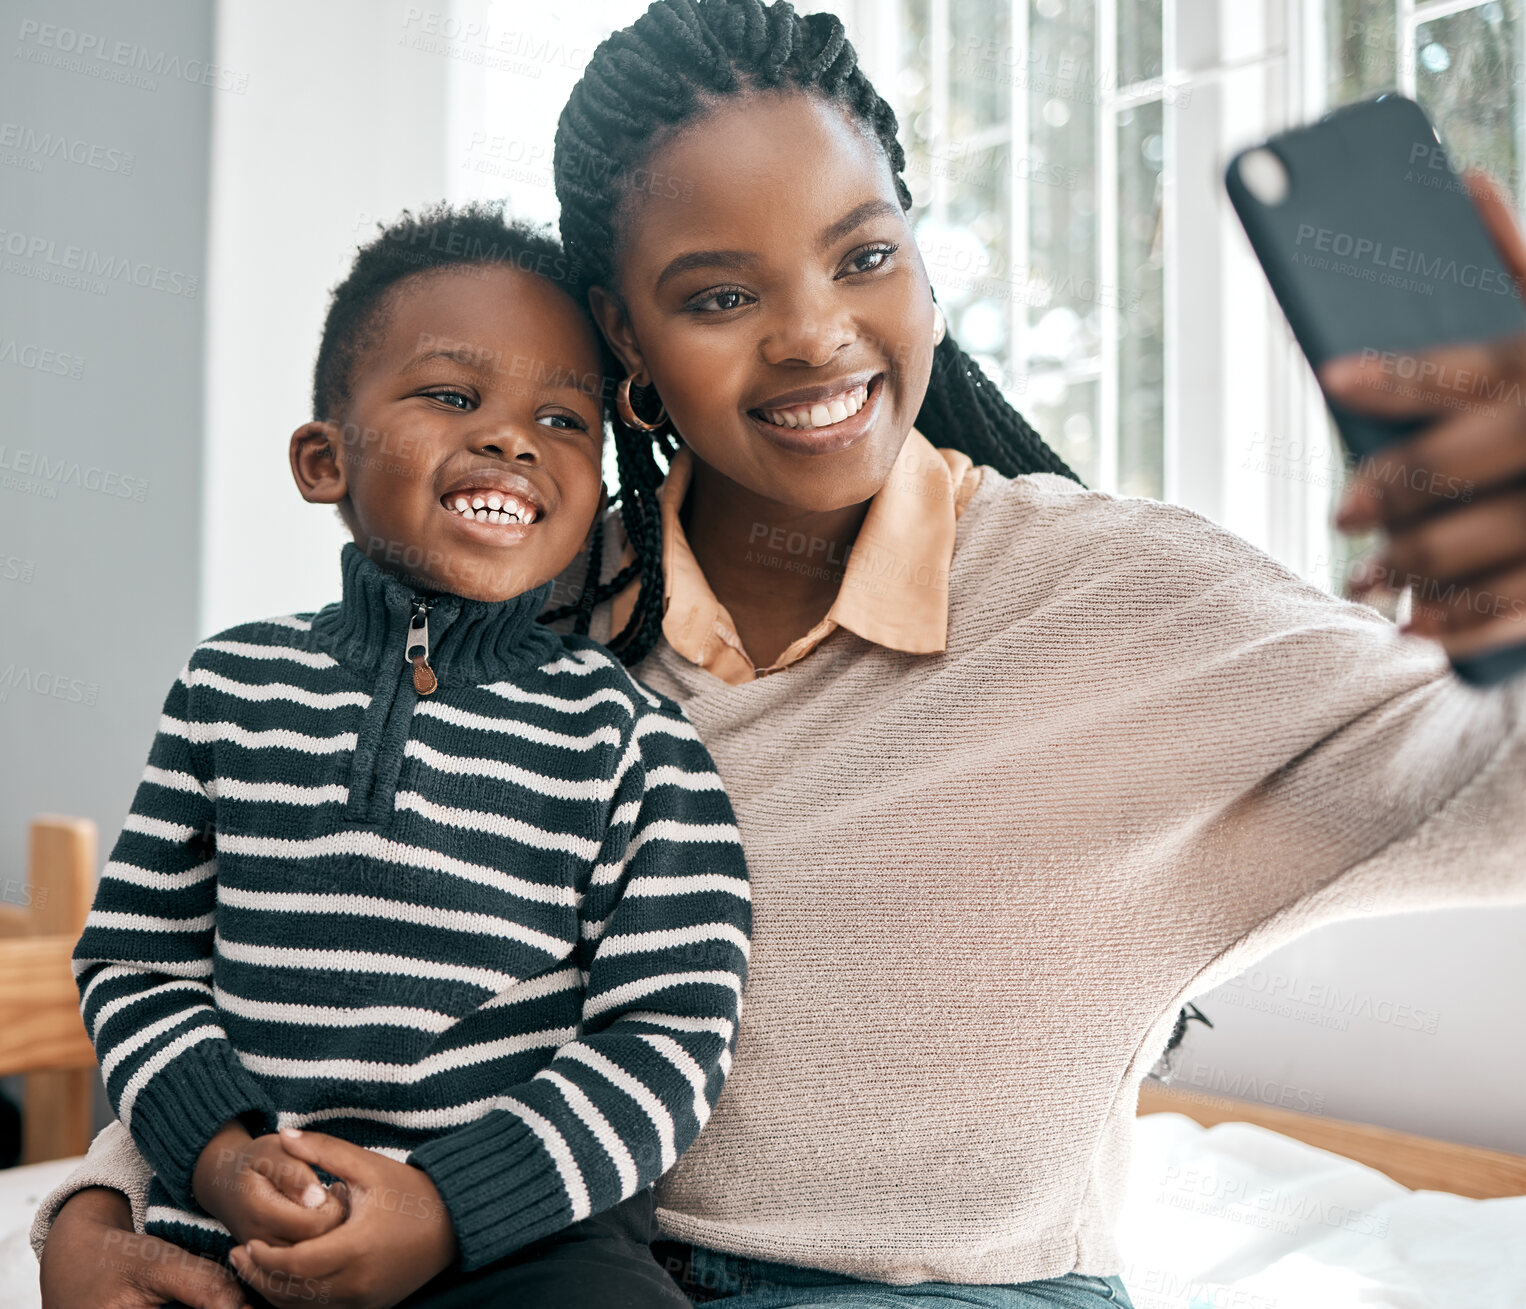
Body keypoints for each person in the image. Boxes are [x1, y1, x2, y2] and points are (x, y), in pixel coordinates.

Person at [35, 2, 1526, 1307]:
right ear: (626, 340)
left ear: (922, 269)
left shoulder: (1129, 598)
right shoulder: (528, 614)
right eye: (720, 296)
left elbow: (1491, 793)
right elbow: (289, 933)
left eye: (863, 255)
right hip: (521, 1261)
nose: (817, 337)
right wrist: (94, 1202)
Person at [46, 202, 751, 1309]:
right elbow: (137, 963)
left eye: (564, 420)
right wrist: (221, 1158)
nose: (513, 438)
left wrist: (449, 1210)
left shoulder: (634, 740)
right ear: (324, 460)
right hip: (238, 1229)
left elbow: (671, 1033)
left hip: (512, 1245)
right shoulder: (228, 687)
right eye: (453, 396)